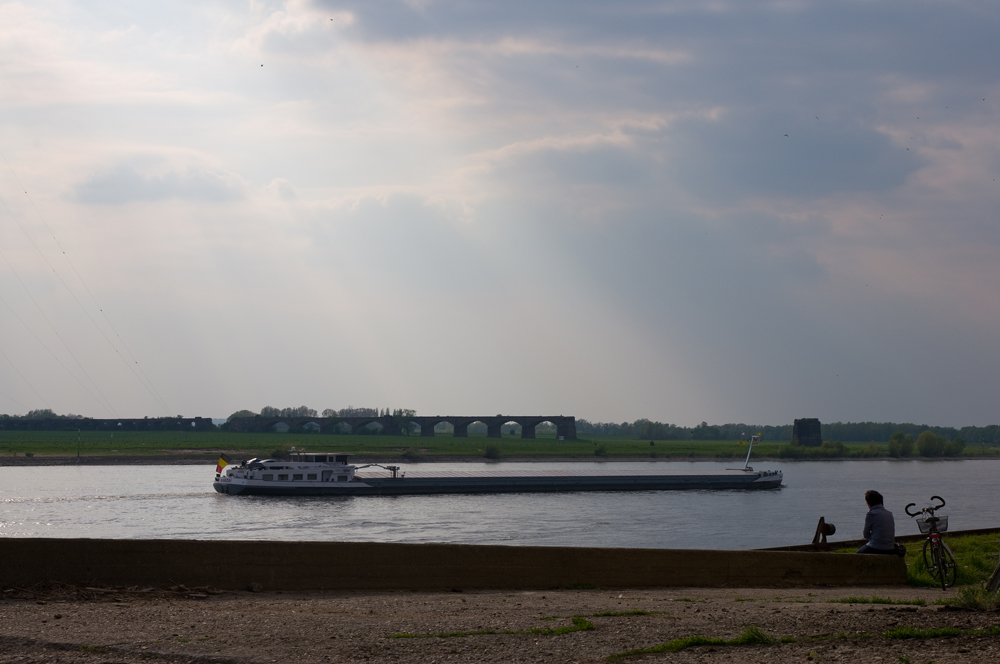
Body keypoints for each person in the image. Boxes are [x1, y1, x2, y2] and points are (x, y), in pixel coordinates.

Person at [856, 490, 897, 554]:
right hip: (890, 546)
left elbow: (866, 534)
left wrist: (873, 538)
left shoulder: (871, 514)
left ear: (868, 503)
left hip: (876, 546)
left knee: (857, 556)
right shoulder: (889, 513)